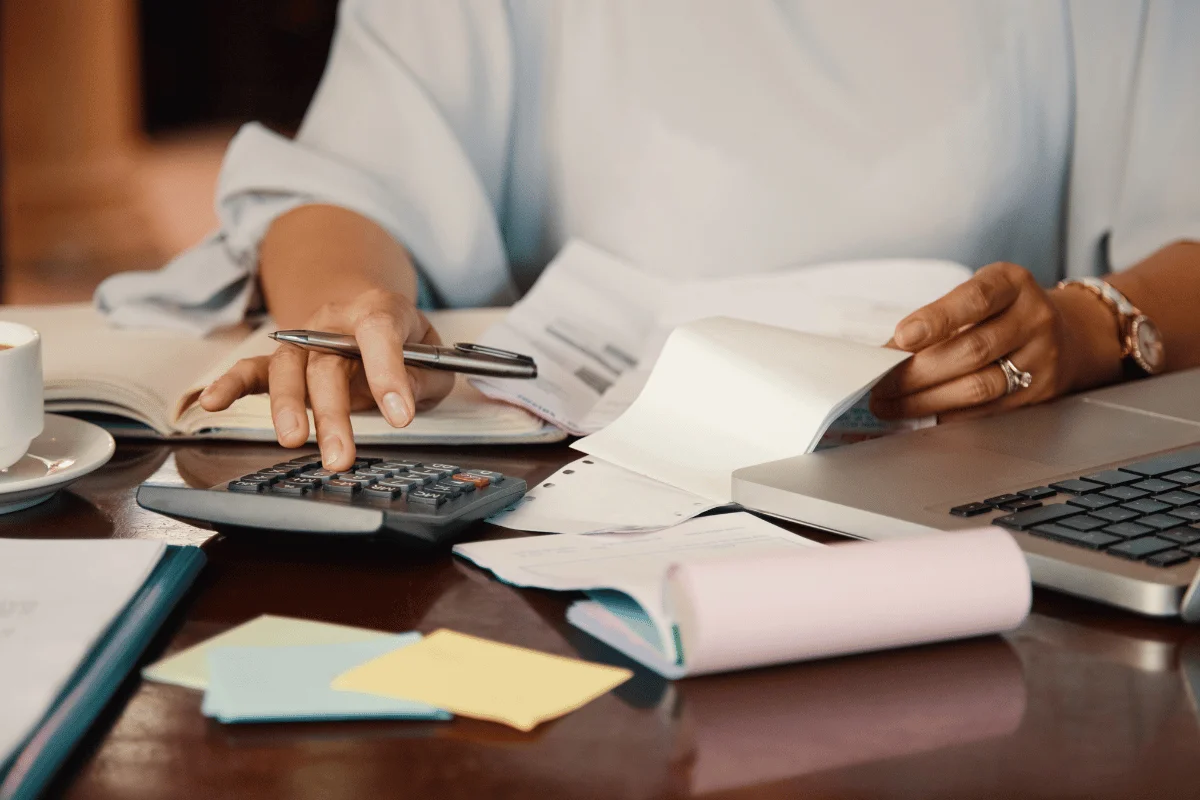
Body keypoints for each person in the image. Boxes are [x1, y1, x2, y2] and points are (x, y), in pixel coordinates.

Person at [95, 1, 1200, 471]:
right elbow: (346, 187)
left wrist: (1089, 325)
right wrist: (348, 304)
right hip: (586, 489)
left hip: (966, 489)